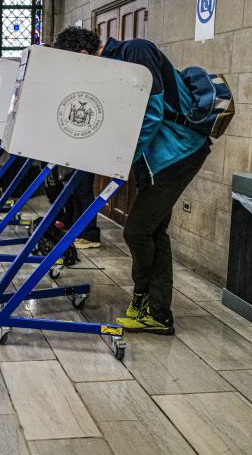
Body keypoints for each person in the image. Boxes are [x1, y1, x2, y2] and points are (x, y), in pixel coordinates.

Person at [52, 27, 211, 335]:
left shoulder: (136, 52)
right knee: (154, 231)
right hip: (158, 159)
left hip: (177, 153)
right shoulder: (116, 68)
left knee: (137, 231)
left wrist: (119, 163)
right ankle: (157, 312)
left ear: (84, 56)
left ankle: (145, 302)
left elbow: (151, 115)